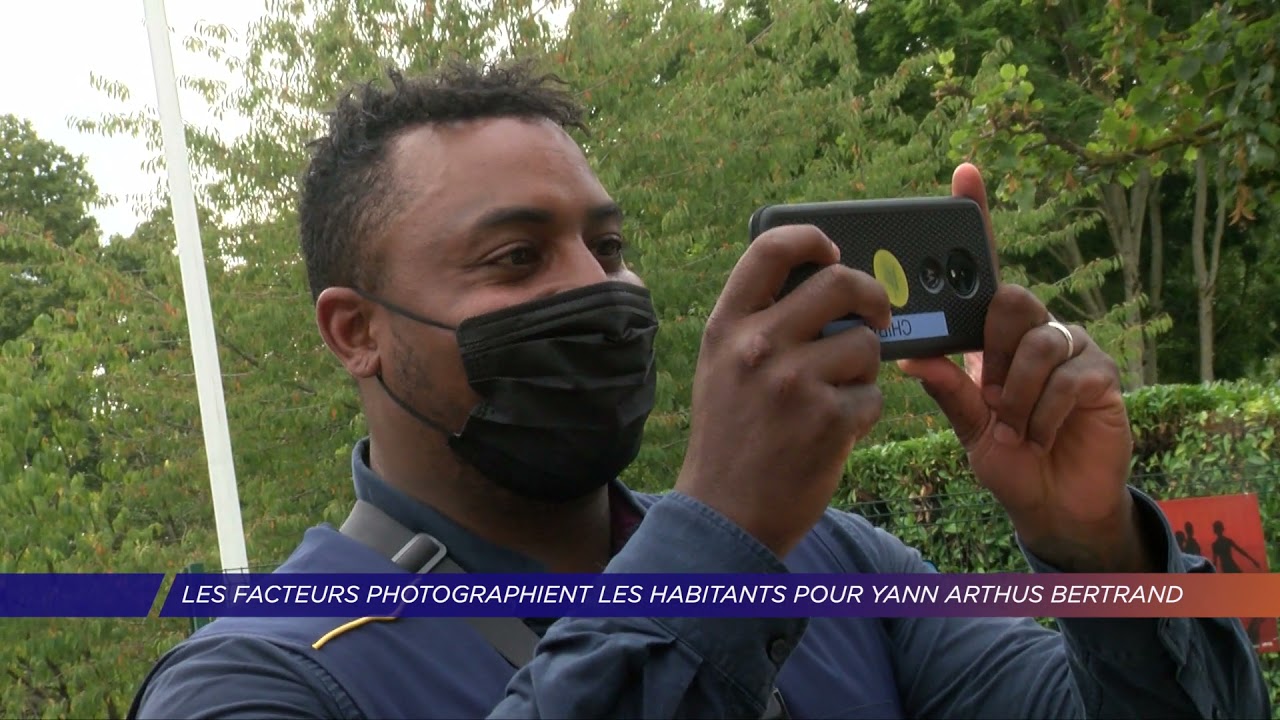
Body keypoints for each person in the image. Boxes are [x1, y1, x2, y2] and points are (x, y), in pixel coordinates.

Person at [128, 60, 1271, 720]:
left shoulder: (836, 568)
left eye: (606, 247)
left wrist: (1099, 558)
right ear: (356, 333)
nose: (601, 289)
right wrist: (720, 531)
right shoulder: (259, 676)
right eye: (517, 259)